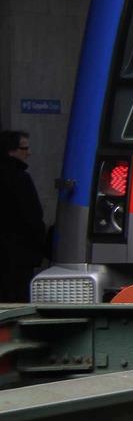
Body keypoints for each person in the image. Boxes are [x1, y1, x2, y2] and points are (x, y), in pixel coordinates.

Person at [1, 129, 47, 302]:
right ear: (10, 150)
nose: (29, 153)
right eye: (24, 148)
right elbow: (32, 216)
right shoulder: (19, 178)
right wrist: (39, 247)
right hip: (18, 252)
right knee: (16, 297)